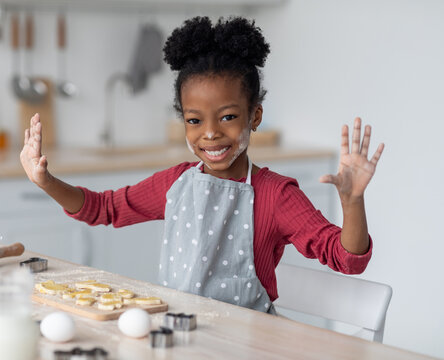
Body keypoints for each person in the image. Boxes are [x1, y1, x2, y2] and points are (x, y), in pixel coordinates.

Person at [20, 16, 384, 314]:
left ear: (254, 116)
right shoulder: (177, 183)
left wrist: (352, 203)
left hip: (248, 343)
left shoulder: (276, 196)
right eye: (195, 120)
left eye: (227, 117)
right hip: (181, 335)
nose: (210, 133)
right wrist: (46, 180)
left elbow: (346, 259)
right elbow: (103, 208)